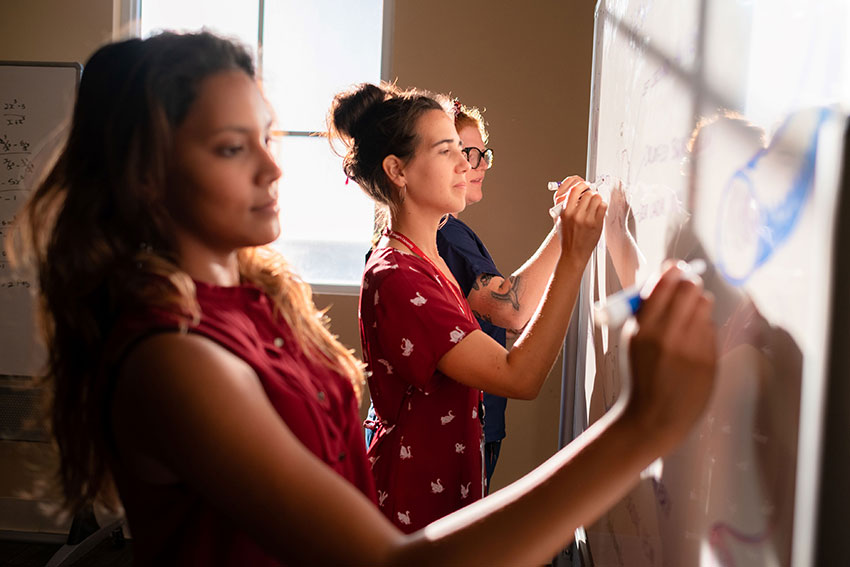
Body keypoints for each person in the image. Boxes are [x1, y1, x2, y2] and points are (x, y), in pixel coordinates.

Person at [10, 31, 717, 565]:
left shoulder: (254, 296)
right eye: (231, 147)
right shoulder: (175, 360)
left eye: (264, 135)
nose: (272, 165)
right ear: (146, 175)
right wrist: (641, 425)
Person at [329, 82, 711, 534]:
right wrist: (572, 255)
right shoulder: (400, 276)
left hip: (439, 491)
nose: (466, 164)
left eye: (464, 150)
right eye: (447, 150)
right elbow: (520, 377)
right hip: (413, 505)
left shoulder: (424, 256)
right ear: (398, 170)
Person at [438, 101, 569, 491]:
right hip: (454, 433)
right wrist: (565, 233)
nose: (478, 166)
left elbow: (494, 320)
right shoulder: (447, 236)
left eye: (483, 155)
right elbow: (511, 311)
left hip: (469, 424)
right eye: (467, 153)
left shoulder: (451, 233)